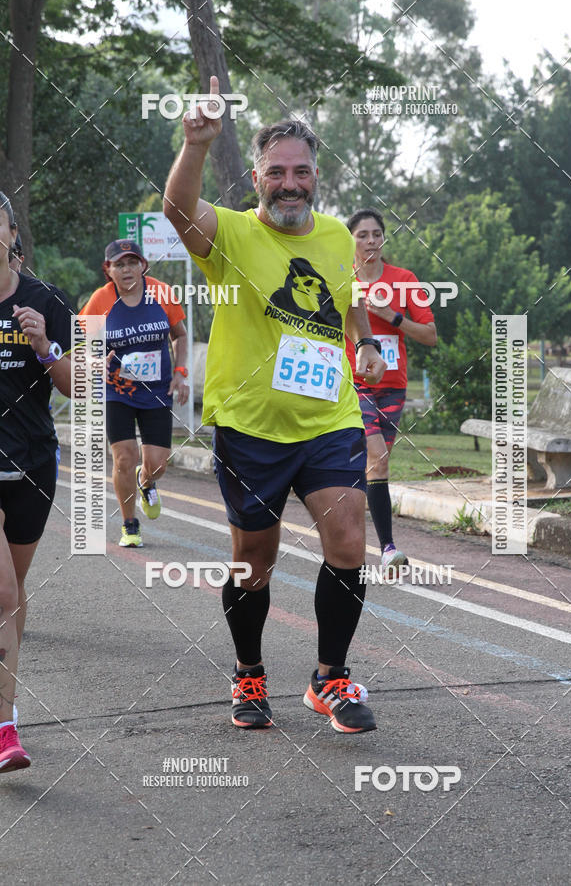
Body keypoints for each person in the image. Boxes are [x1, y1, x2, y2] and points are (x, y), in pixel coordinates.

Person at [164, 77, 387, 734]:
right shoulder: (231, 234)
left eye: (301, 172)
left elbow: (347, 297)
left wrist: (365, 342)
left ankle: (330, 679)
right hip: (250, 426)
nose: (290, 184)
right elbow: (178, 210)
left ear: (316, 177)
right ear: (258, 178)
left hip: (328, 418)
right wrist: (196, 145)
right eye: (277, 173)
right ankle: (249, 672)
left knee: (348, 540)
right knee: (254, 564)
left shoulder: (337, 237)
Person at [0, 191, 73, 771]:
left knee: (13, 590)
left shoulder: (45, 300)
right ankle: (5, 724)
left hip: (32, 464)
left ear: (12, 235)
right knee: (1, 593)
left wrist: (45, 346)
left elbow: (82, 386)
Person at [80, 240, 189, 547]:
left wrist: (181, 372)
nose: (126, 269)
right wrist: (93, 361)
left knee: (158, 463)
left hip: (157, 389)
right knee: (124, 457)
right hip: (116, 391)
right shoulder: (101, 300)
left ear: (143, 265)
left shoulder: (162, 292)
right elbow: (82, 344)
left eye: (132, 262)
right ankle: (130, 524)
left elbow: (179, 335)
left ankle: (147, 481)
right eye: (119, 264)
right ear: (108, 270)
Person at [346, 208, 437, 570]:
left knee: (374, 465)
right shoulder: (343, 279)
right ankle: (387, 548)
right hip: (354, 383)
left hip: (393, 387)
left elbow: (429, 335)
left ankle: (362, 540)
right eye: (362, 235)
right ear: (350, 240)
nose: (371, 241)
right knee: (377, 456)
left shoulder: (404, 280)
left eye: (377, 234)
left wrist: (392, 316)